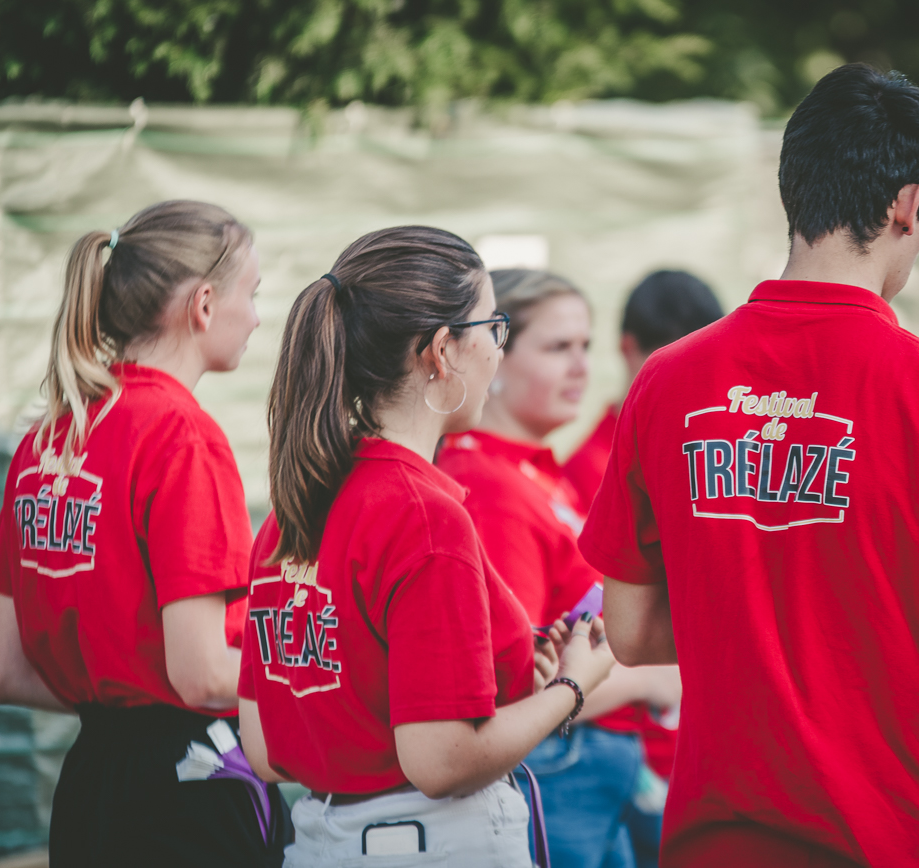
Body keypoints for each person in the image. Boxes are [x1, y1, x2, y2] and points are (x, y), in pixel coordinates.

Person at [578, 63, 919, 868]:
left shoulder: (664, 383)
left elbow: (632, 634)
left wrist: (760, 613)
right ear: (910, 204)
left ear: (795, 189)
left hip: (723, 839)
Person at [235, 228, 615, 868]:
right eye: (494, 326)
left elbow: (265, 744)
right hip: (429, 844)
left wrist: (519, 678)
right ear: (442, 351)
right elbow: (442, 761)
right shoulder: (423, 514)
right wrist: (574, 687)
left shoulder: (293, 509)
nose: (498, 348)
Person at [0, 200, 289, 867]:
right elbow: (205, 675)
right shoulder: (182, 434)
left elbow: (6, 673)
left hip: (91, 782)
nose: (258, 317)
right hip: (192, 784)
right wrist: (341, 678)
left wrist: (119, 688)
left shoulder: (45, 440)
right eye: (253, 294)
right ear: (204, 305)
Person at [436, 269, 682, 868]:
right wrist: (651, 677)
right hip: (560, 768)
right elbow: (509, 680)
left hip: (593, 768)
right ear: (494, 357)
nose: (580, 367)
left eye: (585, 346)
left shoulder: (534, 474)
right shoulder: (487, 486)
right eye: (556, 348)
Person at [561, 269, 723, 868]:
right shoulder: (593, 469)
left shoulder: (710, 451)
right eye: (558, 348)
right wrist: (656, 680)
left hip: (694, 738)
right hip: (639, 753)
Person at [564, 269, 724, 516]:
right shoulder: (590, 473)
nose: (689, 385)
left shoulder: (720, 458)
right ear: (628, 348)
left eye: (703, 367)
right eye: (672, 368)